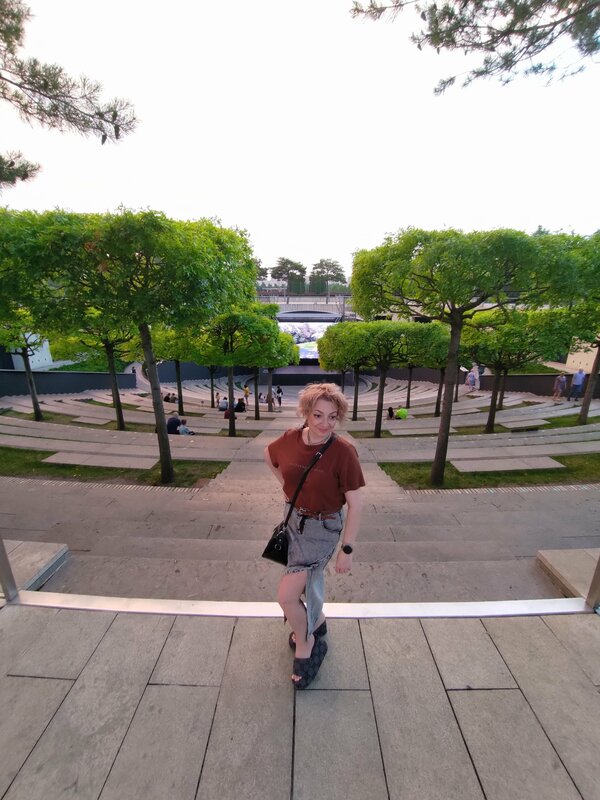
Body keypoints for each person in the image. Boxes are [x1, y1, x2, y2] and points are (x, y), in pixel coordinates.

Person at [264, 383, 365, 690]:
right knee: (301, 586)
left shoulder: (343, 452)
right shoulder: (290, 439)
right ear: (306, 413)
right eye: (318, 415)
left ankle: (306, 642)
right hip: (294, 522)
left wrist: (347, 549)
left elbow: (356, 504)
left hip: (323, 529)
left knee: (287, 596)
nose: (325, 423)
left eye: (332, 417)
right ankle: (316, 622)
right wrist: (289, 490)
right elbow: (269, 456)